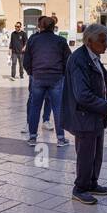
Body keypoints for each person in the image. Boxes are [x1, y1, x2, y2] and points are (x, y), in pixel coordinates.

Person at [61, 23, 107, 205]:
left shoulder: (94, 56)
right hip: (83, 116)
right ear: (89, 41)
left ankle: (92, 183)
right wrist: (105, 107)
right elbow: (82, 94)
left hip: (95, 115)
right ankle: (80, 188)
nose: (106, 44)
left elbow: (100, 84)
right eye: (102, 41)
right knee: (86, 153)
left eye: (106, 40)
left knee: (96, 152)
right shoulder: (79, 59)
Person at [22, 15, 71, 146]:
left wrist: (31, 73)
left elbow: (26, 61)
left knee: (35, 107)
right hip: (56, 79)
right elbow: (69, 60)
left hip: (38, 77)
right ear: (53, 27)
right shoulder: (60, 41)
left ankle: (32, 137)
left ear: (40, 26)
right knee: (58, 109)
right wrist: (62, 74)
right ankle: (61, 138)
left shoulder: (33, 40)